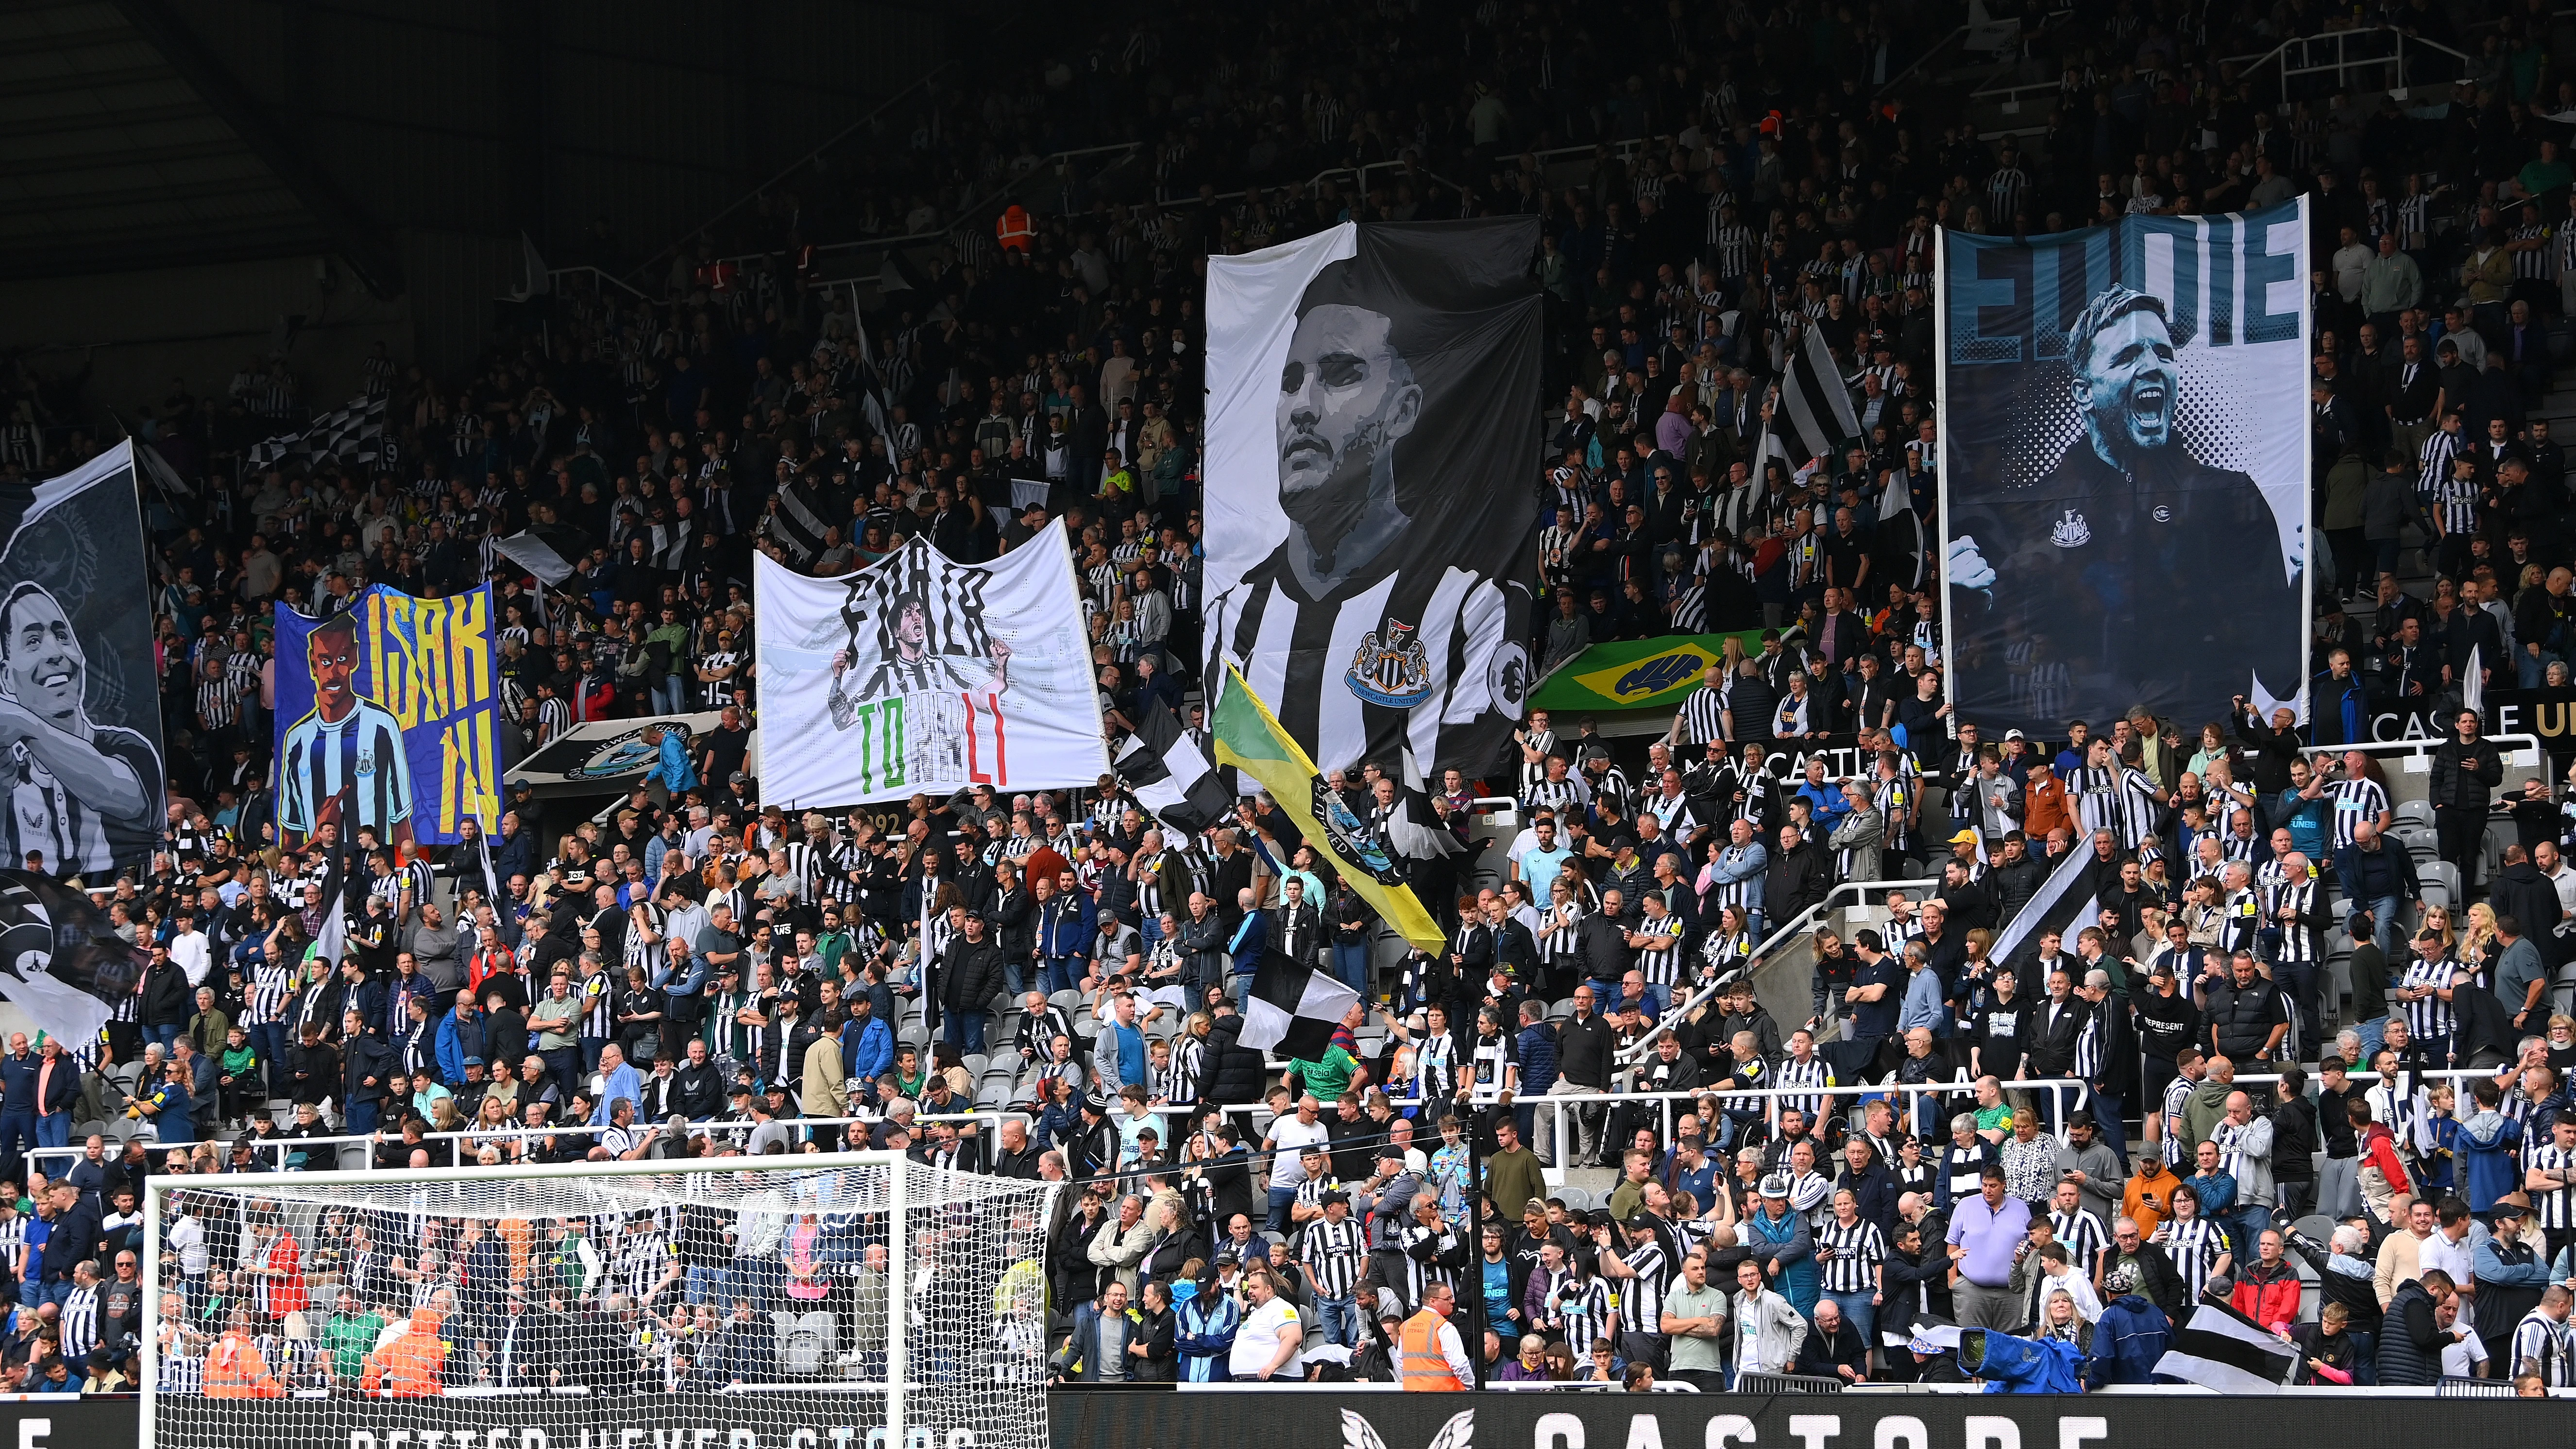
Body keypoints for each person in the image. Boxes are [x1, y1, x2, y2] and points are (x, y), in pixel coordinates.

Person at [1203, 256, 1526, 775]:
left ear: (1402, 411)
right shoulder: (1233, 615)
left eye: (1338, 374)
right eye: (1290, 381)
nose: (1302, 405)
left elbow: (1465, 773)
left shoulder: (1469, 605)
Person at [1944, 285, 2303, 717]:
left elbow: (2282, 677)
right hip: (2079, 751)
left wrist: (2297, 590)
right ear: (2083, 393)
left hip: (2199, 753)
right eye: (2128, 356)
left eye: (2164, 354)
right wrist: (1966, 606)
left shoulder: (2227, 496)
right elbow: (1999, 675)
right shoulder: (2031, 511)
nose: (2152, 366)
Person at [276, 609, 413, 850]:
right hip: (320, 869)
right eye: (325, 662)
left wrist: (407, 866)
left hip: (369, 863)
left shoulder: (381, 725)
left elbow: (400, 818)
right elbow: (292, 828)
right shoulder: (298, 738)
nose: (333, 673)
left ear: (354, 658)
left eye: (342, 659)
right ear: (313, 663)